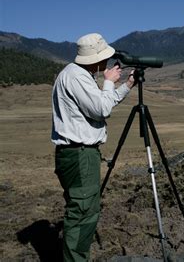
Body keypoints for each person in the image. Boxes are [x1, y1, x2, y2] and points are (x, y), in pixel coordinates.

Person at [51, 33, 135, 261]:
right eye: (104, 58)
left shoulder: (78, 74)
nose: (106, 63)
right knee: (83, 212)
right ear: (94, 59)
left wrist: (126, 85)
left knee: (81, 208)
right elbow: (101, 110)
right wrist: (109, 81)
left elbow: (101, 103)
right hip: (79, 154)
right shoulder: (77, 77)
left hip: (77, 155)